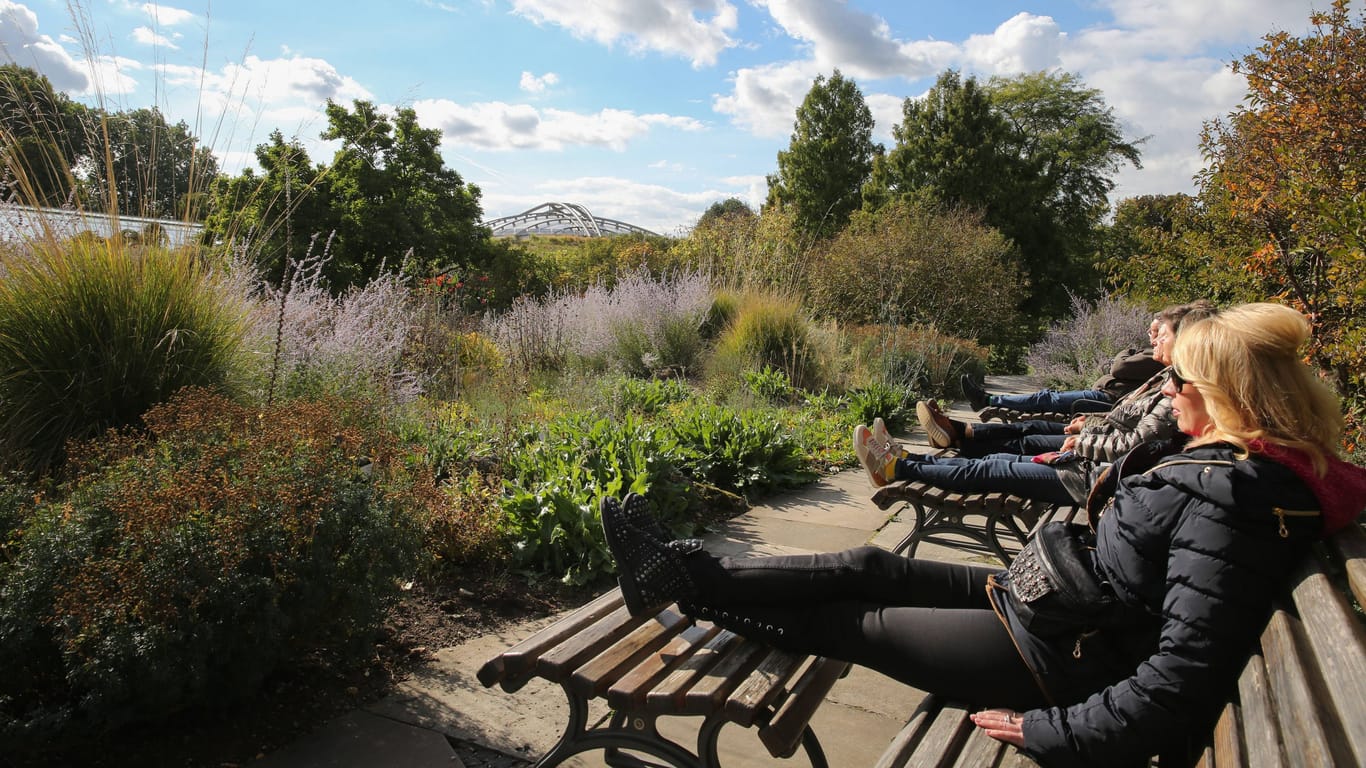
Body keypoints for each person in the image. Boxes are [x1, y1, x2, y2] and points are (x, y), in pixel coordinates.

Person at [600, 302, 1366, 767]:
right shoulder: (1237, 468)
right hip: (1051, 601)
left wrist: (1056, 733)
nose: (1165, 395)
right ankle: (686, 573)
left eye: (1177, 384)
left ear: (1226, 396)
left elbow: (1182, 676)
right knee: (874, 561)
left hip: (1057, 660)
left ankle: (684, 588)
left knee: (851, 624)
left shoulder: (1234, 497)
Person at [858, 302, 1216, 505]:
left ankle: (899, 467)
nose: (1153, 340)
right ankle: (909, 457)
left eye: (1161, 334)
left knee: (1008, 451)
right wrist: (1088, 432)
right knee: (1016, 443)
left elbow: (1132, 442)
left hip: (1091, 475)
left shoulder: (1182, 391)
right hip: (1091, 460)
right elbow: (1128, 423)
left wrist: (1084, 437)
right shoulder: (1173, 382)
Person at [960, 316, 1164, 414]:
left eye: (1154, 331)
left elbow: (1118, 367)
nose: (1149, 334)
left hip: (1107, 400)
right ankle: (989, 400)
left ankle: (988, 400)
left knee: (1047, 397)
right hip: (1104, 395)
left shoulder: (1153, 356)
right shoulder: (1152, 352)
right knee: (1048, 396)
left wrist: (1126, 352)